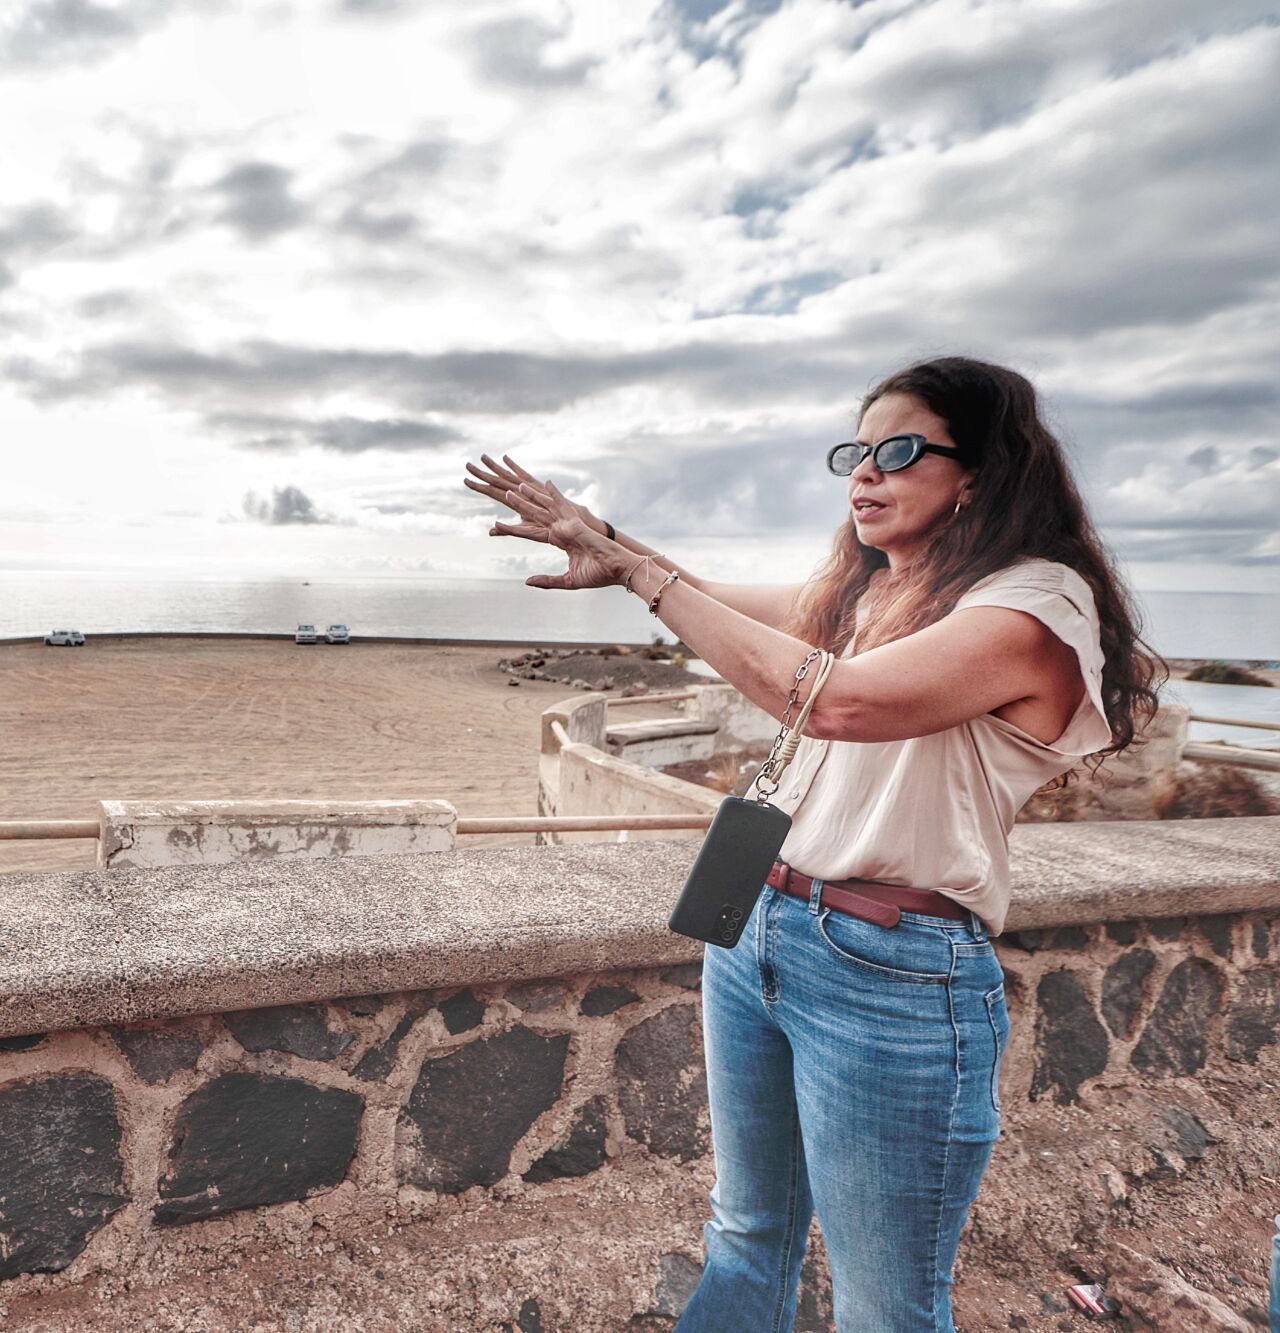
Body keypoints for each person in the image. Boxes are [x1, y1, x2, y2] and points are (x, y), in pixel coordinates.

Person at [466, 356, 1163, 1330]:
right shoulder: (872, 592)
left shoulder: (1037, 604)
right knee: (745, 1235)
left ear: (979, 471)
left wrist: (637, 572)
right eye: (855, 452)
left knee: (884, 1306)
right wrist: (607, 542)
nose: (863, 473)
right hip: (756, 926)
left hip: (892, 971)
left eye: (899, 450)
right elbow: (716, 598)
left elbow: (835, 700)